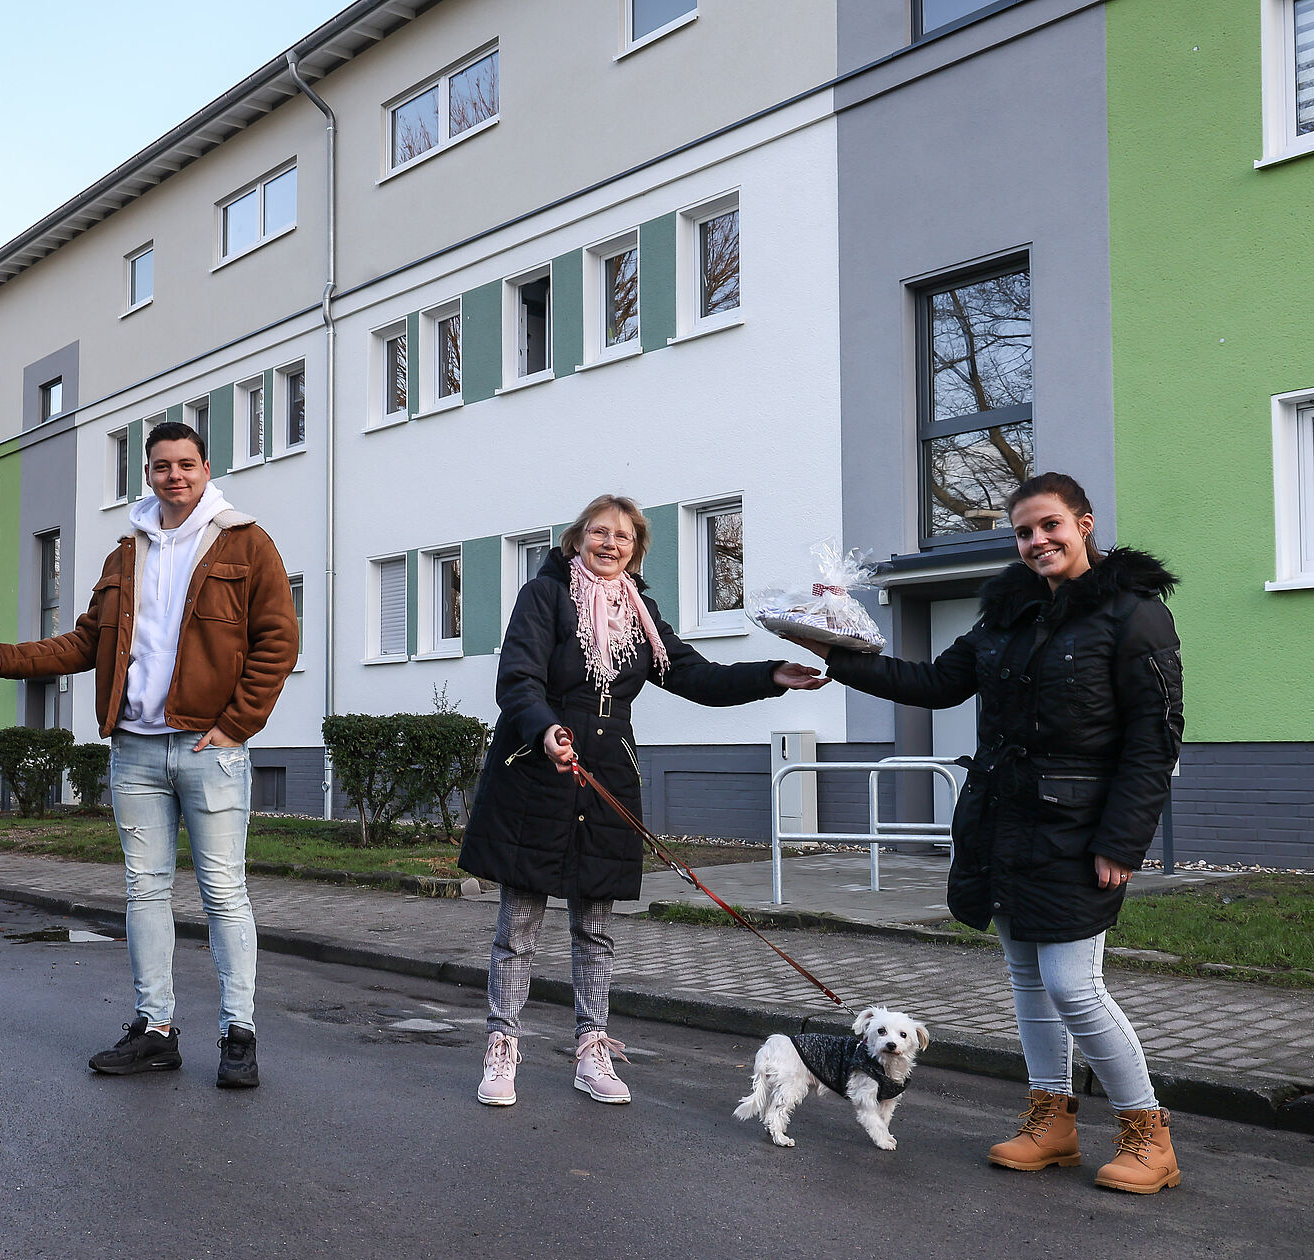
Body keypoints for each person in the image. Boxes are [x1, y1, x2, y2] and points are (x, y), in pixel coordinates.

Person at [789, 472, 1184, 1194]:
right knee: (1030, 984)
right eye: (1024, 532)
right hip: (1002, 824)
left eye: (1050, 525)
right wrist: (837, 651)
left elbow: (1153, 742)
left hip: (1079, 829)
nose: (1038, 541)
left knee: (1076, 987)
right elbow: (936, 682)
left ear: (1085, 523)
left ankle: (1147, 1132)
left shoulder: (1134, 615)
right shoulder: (1006, 615)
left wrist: (1122, 841)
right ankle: (1051, 1121)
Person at [459, 495, 827, 1107]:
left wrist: (770, 676)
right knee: (519, 926)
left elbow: (695, 676)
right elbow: (517, 679)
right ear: (577, 539)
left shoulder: (641, 613)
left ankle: (592, 1048)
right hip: (538, 769)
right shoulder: (544, 596)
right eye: (599, 533)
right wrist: (544, 726)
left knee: (596, 928)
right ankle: (503, 1046)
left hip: (607, 776)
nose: (611, 543)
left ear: (636, 549)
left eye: (624, 537)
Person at [0, 422, 297, 1088]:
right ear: (147, 474)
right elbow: (87, 643)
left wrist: (237, 724)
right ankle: (155, 1030)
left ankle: (239, 1033)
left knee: (224, 894)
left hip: (210, 747)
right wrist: (8, 658)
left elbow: (277, 642)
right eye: (161, 466)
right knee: (145, 892)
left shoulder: (246, 542)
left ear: (206, 469)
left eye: (186, 465)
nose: (174, 475)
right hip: (135, 750)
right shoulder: (126, 553)